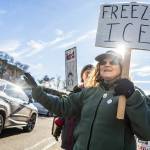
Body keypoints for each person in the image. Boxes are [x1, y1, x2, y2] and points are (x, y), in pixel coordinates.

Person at [32, 51, 150, 150]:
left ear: (122, 67)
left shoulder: (133, 94)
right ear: (99, 68)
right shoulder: (89, 92)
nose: (107, 64)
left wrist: (131, 96)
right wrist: (38, 93)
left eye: (112, 62)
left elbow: (146, 132)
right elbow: (63, 106)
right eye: (103, 62)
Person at [53, 64, 94, 150]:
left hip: (85, 141)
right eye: (87, 71)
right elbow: (66, 110)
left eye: (92, 72)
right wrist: (58, 126)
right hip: (69, 138)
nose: (89, 73)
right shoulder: (75, 91)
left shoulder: (98, 93)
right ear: (82, 76)